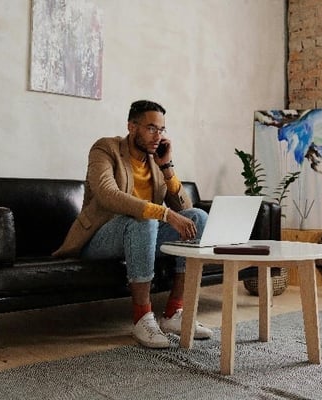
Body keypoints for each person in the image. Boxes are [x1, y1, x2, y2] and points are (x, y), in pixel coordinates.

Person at [52, 100, 212, 348]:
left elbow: (185, 207)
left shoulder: (157, 160)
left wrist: (167, 168)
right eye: (151, 128)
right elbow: (107, 193)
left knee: (198, 218)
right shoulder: (105, 149)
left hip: (142, 233)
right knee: (145, 221)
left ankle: (174, 314)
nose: (157, 136)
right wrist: (164, 214)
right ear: (131, 126)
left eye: (161, 130)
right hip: (100, 236)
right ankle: (142, 318)